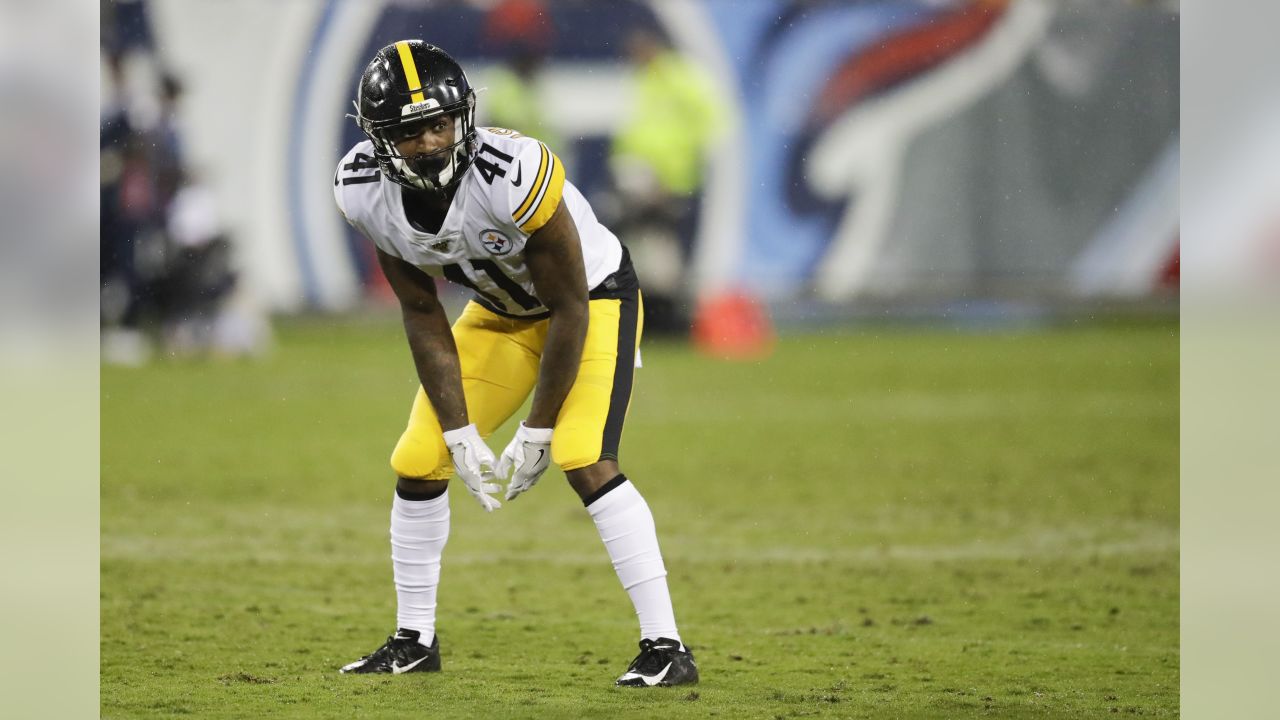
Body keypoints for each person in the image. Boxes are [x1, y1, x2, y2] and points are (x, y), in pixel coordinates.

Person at [332, 40, 698, 688]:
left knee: (582, 454)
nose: (431, 142)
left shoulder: (512, 170)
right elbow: (422, 311)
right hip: (500, 313)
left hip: (593, 300)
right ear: (381, 140)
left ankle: (666, 646)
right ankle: (414, 638)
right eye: (411, 132)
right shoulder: (364, 190)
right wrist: (458, 431)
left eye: (440, 124)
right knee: (419, 459)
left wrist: (536, 429)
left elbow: (568, 304)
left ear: (464, 118)